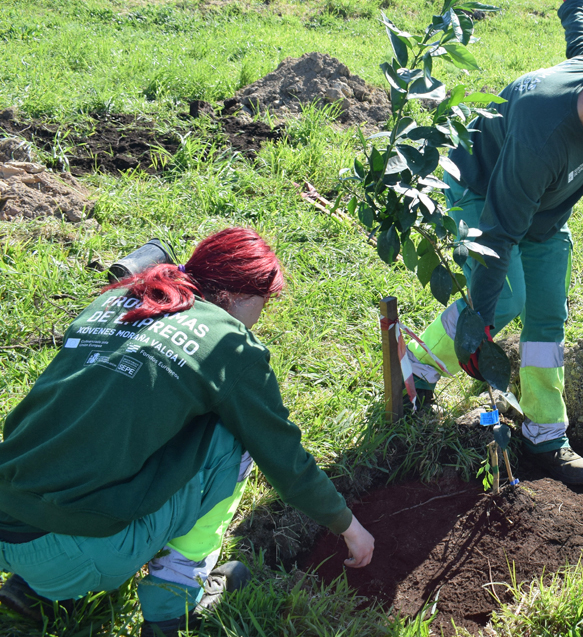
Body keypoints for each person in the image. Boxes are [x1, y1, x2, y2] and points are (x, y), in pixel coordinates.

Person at [0, 228, 375, 636]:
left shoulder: (119, 298)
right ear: (238, 297)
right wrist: (349, 527)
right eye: (264, 305)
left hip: (7, 519)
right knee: (236, 438)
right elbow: (284, 459)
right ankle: (171, 605)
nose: (260, 318)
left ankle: (32, 591)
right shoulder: (230, 346)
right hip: (77, 556)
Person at [405, 0, 583, 486]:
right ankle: (415, 372)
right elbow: (499, 230)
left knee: (548, 311)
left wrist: (573, 2)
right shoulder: (543, 132)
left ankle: (544, 433)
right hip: (483, 188)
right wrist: (479, 330)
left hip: (544, 213)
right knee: (506, 297)